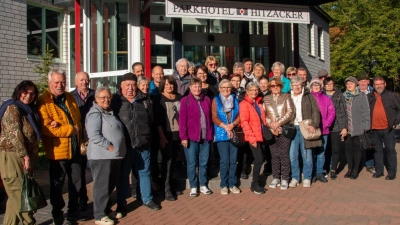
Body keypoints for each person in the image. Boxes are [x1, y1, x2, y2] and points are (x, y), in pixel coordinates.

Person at [37, 69, 84, 224]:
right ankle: (57, 215)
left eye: (62, 81)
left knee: (76, 183)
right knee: (57, 186)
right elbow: (47, 128)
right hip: (58, 152)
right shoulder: (44, 101)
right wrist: (70, 129)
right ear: (49, 83)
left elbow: (77, 121)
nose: (60, 85)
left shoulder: (70, 97)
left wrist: (74, 132)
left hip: (75, 149)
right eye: (56, 82)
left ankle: (72, 213)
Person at [112, 73, 160, 218]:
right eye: (127, 85)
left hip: (143, 144)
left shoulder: (145, 100)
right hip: (125, 146)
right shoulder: (115, 101)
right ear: (121, 86)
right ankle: (121, 203)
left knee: (145, 173)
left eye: (133, 85)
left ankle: (147, 199)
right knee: (123, 176)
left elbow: (150, 120)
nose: (131, 88)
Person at [0, 80, 40, 225]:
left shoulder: (28, 110)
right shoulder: (12, 108)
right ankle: (29, 222)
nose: (28, 95)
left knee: (15, 196)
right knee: (21, 195)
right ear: (19, 92)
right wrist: (26, 156)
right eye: (25, 92)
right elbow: (14, 134)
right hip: (13, 156)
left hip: (23, 156)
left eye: (32, 93)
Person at [85, 86, 126, 225]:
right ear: (96, 99)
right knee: (101, 186)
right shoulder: (95, 113)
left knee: (109, 185)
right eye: (103, 97)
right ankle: (99, 215)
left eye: (108, 97)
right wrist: (109, 145)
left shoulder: (109, 112)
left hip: (113, 156)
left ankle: (106, 210)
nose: (106, 100)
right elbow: (93, 135)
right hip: (101, 156)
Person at [179, 78, 213, 197]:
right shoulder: (185, 100)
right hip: (191, 137)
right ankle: (193, 186)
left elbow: (210, 118)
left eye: (199, 86)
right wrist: (183, 137)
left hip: (205, 137)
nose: (197, 88)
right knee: (192, 163)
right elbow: (182, 120)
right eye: (195, 86)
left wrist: (211, 133)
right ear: (190, 88)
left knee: (203, 162)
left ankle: (203, 184)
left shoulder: (207, 99)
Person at [289, 76, 322, 188]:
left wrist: (314, 125)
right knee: (293, 155)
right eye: (294, 85)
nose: (297, 87)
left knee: (306, 155)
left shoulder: (308, 96)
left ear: (302, 85)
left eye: (299, 85)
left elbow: (316, 112)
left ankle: (307, 177)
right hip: (293, 128)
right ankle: (295, 177)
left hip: (305, 128)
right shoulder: (288, 97)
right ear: (291, 86)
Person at [154, 76, 182, 201]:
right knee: (167, 162)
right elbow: (158, 120)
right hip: (165, 135)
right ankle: (166, 188)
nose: (169, 86)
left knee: (174, 161)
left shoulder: (179, 97)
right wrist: (161, 136)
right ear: (162, 86)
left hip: (178, 135)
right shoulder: (158, 99)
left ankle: (170, 184)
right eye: (166, 85)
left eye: (171, 84)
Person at [70, 71, 94, 212]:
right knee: (78, 172)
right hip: (78, 140)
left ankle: (102, 199)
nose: (84, 82)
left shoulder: (95, 95)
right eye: (81, 80)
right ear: (76, 82)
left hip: (93, 139)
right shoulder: (70, 97)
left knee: (97, 171)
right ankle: (81, 201)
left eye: (87, 79)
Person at [264, 78, 295, 190]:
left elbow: (290, 112)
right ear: (269, 87)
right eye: (272, 85)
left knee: (284, 154)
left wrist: (279, 123)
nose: (275, 87)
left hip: (283, 129)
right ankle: (276, 176)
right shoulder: (266, 98)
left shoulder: (286, 96)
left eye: (277, 85)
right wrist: (271, 124)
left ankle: (285, 178)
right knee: (274, 155)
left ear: (281, 86)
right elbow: (264, 115)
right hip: (272, 131)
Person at [367, 76, 400, 180]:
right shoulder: (369, 96)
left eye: (381, 84)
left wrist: (395, 122)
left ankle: (391, 172)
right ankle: (379, 171)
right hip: (374, 129)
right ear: (373, 86)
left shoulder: (391, 95)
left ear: (385, 84)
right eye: (376, 84)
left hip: (388, 128)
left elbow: (399, 109)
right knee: (378, 151)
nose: (379, 86)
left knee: (390, 150)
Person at [212, 79, 241, 195]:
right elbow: (214, 117)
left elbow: (240, 115)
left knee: (233, 160)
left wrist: (232, 125)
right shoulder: (216, 100)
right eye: (223, 88)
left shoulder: (235, 99)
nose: (226, 90)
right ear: (219, 89)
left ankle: (232, 183)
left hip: (233, 131)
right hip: (221, 132)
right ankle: (224, 184)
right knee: (224, 161)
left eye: (228, 88)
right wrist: (226, 127)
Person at [240, 82, 266, 194]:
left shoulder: (257, 102)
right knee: (259, 160)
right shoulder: (244, 104)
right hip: (253, 136)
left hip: (261, 135)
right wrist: (252, 138)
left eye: (256, 90)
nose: (254, 92)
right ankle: (254, 184)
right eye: (251, 90)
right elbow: (244, 122)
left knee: (260, 159)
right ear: (247, 91)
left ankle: (256, 183)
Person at [343, 76, 370, 179]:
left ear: (355, 85)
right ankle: (350, 169)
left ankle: (355, 170)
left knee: (357, 149)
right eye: (348, 84)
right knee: (348, 149)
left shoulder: (361, 96)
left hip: (358, 126)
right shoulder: (343, 96)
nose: (349, 85)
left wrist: (366, 126)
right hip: (347, 128)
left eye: (351, 84)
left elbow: (366, 111)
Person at [309, 78, 335, 183]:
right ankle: (313, 172)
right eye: (314, 85)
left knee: (321, 152)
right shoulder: (308, 98)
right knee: (312, 153)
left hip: (323, 130)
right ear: (311, 87)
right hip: (311, 129)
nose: (316, 87)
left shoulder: (326, 99)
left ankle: (320, 172)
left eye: (318, 85)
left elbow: (331, 112)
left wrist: (328, 123)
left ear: (321, 87)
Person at [322, 77, 347, 179]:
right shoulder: (321, 94)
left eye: (331, 84)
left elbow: (343, 112)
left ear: (334, 84)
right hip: (324, 126)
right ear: (324, 85)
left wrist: (344, 127)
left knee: (336, 149)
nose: (329, 86)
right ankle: (325, 168)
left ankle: (333, 169)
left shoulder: (339, 95)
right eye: (327, 84)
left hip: (336, 126)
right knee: (325, 149)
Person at [357, 70, 375, 174]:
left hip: (370, 122)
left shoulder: (373, 92)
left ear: (368, 82)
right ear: (358, 82)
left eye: (365, 81)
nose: (363, 83)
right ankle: (358, 164)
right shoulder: (354, 92)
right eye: (361, 81)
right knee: (358, 145)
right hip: (358, 122)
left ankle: (370, 164)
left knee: (370, 145)